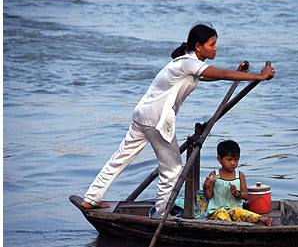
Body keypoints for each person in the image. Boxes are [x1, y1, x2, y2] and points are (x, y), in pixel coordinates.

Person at [81, 23, 275, 217]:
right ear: (198, 46)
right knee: (172, 169)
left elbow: (211, 76)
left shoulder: (185, 63)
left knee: (121, 157)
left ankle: (91, 198)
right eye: (212, 44)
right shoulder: (188, 63)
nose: (216, 48)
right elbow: (221, 74)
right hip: (157, 119)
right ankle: (160, 216)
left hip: (143, 114)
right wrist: (258, 76)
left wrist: (240, 74)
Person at [202, 140, 272, 226]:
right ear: (219, 159)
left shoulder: (239, 176)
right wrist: (206, 187)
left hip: (234, 210)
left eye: (236, 160)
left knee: (238, 211)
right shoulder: (215, 175)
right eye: (229, 160)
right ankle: (231, 223)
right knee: (222, 213)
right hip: (217, 210)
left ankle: (260, 218)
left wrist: (236, 193)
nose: (233, 163)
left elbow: (246, 196)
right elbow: (209, 196)